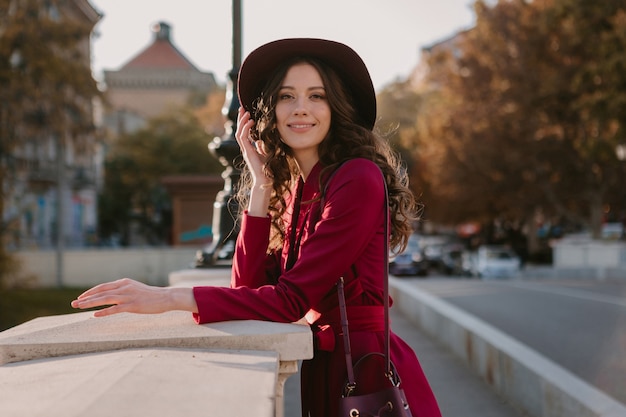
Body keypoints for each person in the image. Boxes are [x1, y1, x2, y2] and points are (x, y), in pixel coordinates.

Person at [72, 38, 442, 417]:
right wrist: (261, 184)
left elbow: (289, 301)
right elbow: (247, 291)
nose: (301, 109)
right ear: (271, 111)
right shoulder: (300, 188)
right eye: (286, 96)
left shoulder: (356, 178)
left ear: (336, 108)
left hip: (367, 373)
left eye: (316, 96)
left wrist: (167, 298)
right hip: (330, 369)